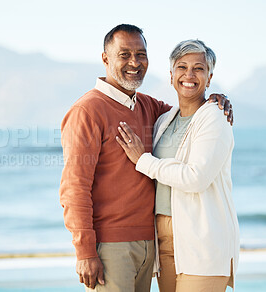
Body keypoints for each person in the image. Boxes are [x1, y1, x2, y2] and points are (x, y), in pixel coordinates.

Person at [59, 24, 233, 292]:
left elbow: (188, 112)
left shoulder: (151, 108)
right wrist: (84, 251)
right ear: (105, 58)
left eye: (141, 54)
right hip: (111, 246)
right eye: (124, 54)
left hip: (152, 247)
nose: (134, 63)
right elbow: (74, 188)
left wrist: (215, 99)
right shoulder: (87, 111)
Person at [116, 39, 239, 292]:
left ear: (209, 76)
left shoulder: (215, 117)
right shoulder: (164, 120)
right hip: (165, 242)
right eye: (182, 67)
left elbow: (196, 177)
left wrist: (143, 161)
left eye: (199, 68)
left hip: (201, 241)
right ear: (171, 76)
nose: (189, 75)